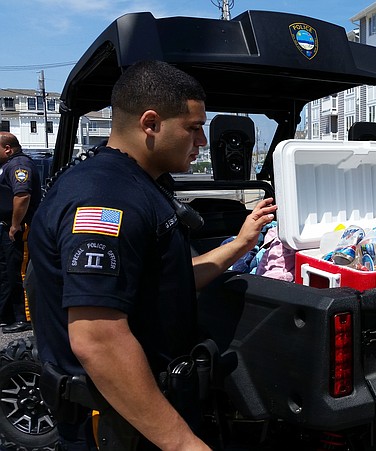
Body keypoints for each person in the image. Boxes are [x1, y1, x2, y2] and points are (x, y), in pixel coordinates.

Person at [29, 60, 277, 450]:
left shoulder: (138, 184)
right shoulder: (105, 197)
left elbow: (167, 283)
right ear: (150, 123)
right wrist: (183, 444)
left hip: (149, 413)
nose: (203, 142)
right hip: (118, 425)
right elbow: (98, 339)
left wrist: (241, 244)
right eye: (194, 128)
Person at [0, 132, 41, 333]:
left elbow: (22, 196)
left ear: (7, 148)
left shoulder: (19, 165)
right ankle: (8, 314)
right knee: (7, 271)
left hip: (20, 227)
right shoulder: (7, 165)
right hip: (6, 225)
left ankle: (24, 317)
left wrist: (15, 225)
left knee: (19, 271)